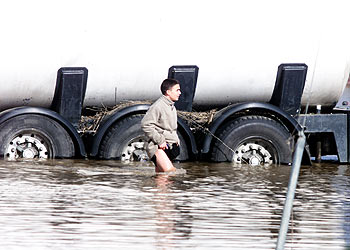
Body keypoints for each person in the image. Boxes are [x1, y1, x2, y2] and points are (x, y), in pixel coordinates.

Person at [141, 78, 181, 172]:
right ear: (168, 92)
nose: (180, 93)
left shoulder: (172, 107)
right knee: (171, 173)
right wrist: (160, 140)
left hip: (169, 147)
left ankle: (153, 187)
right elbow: (146, 125)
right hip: (158, 148)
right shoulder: (157, 106)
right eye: (177, 90)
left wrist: (176, 141)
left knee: (162, 179)